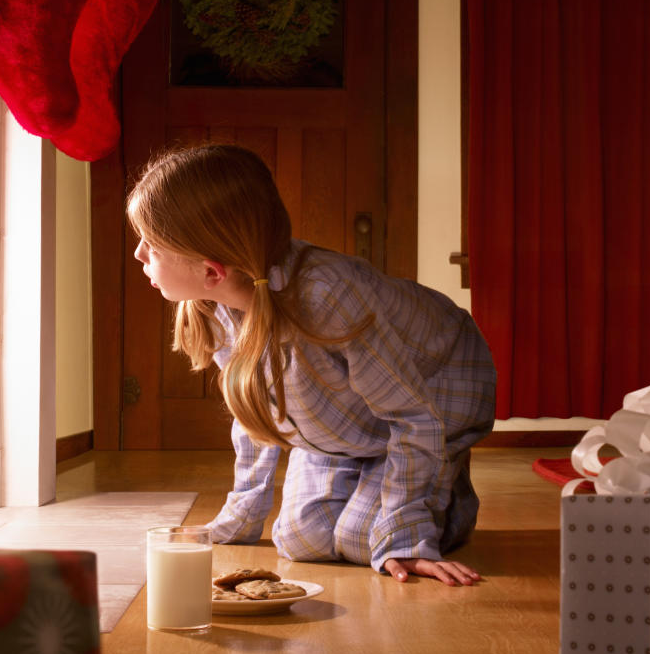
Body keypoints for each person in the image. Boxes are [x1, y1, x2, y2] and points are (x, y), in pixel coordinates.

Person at [127, 143, 496, 586]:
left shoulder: (327, 296)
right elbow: (254, 410)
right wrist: (240, 518)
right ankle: (372, 473)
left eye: (154, 245)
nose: (139, 255)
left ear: (212, 270)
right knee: (302, 541)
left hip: (434, 390)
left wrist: (405, 536)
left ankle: (446, 485)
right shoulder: (214, 304)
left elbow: (413, 416)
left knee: (368, 543)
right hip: (346, 416)